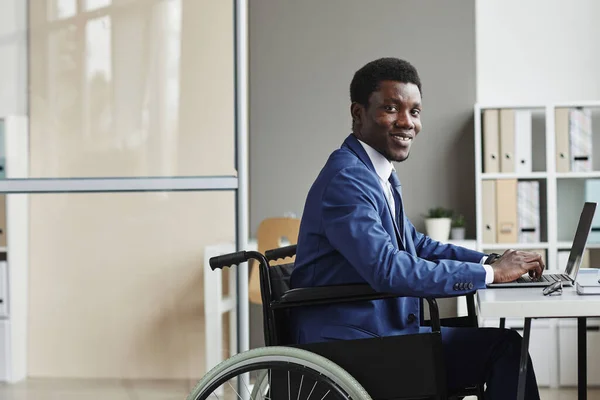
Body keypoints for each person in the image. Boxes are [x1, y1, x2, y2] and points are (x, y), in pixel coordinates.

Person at [290, 57, 545, 399]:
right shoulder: (347, 179)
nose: (407, 123)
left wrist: (490, 263)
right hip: (354, 346)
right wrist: (491, 275)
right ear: (358, 113)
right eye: (392, 108)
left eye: (415, 111)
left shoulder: (376, 173)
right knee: (505, 350)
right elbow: (387, 268)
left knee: (505, 347)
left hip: (383, 333)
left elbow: (418, 245)